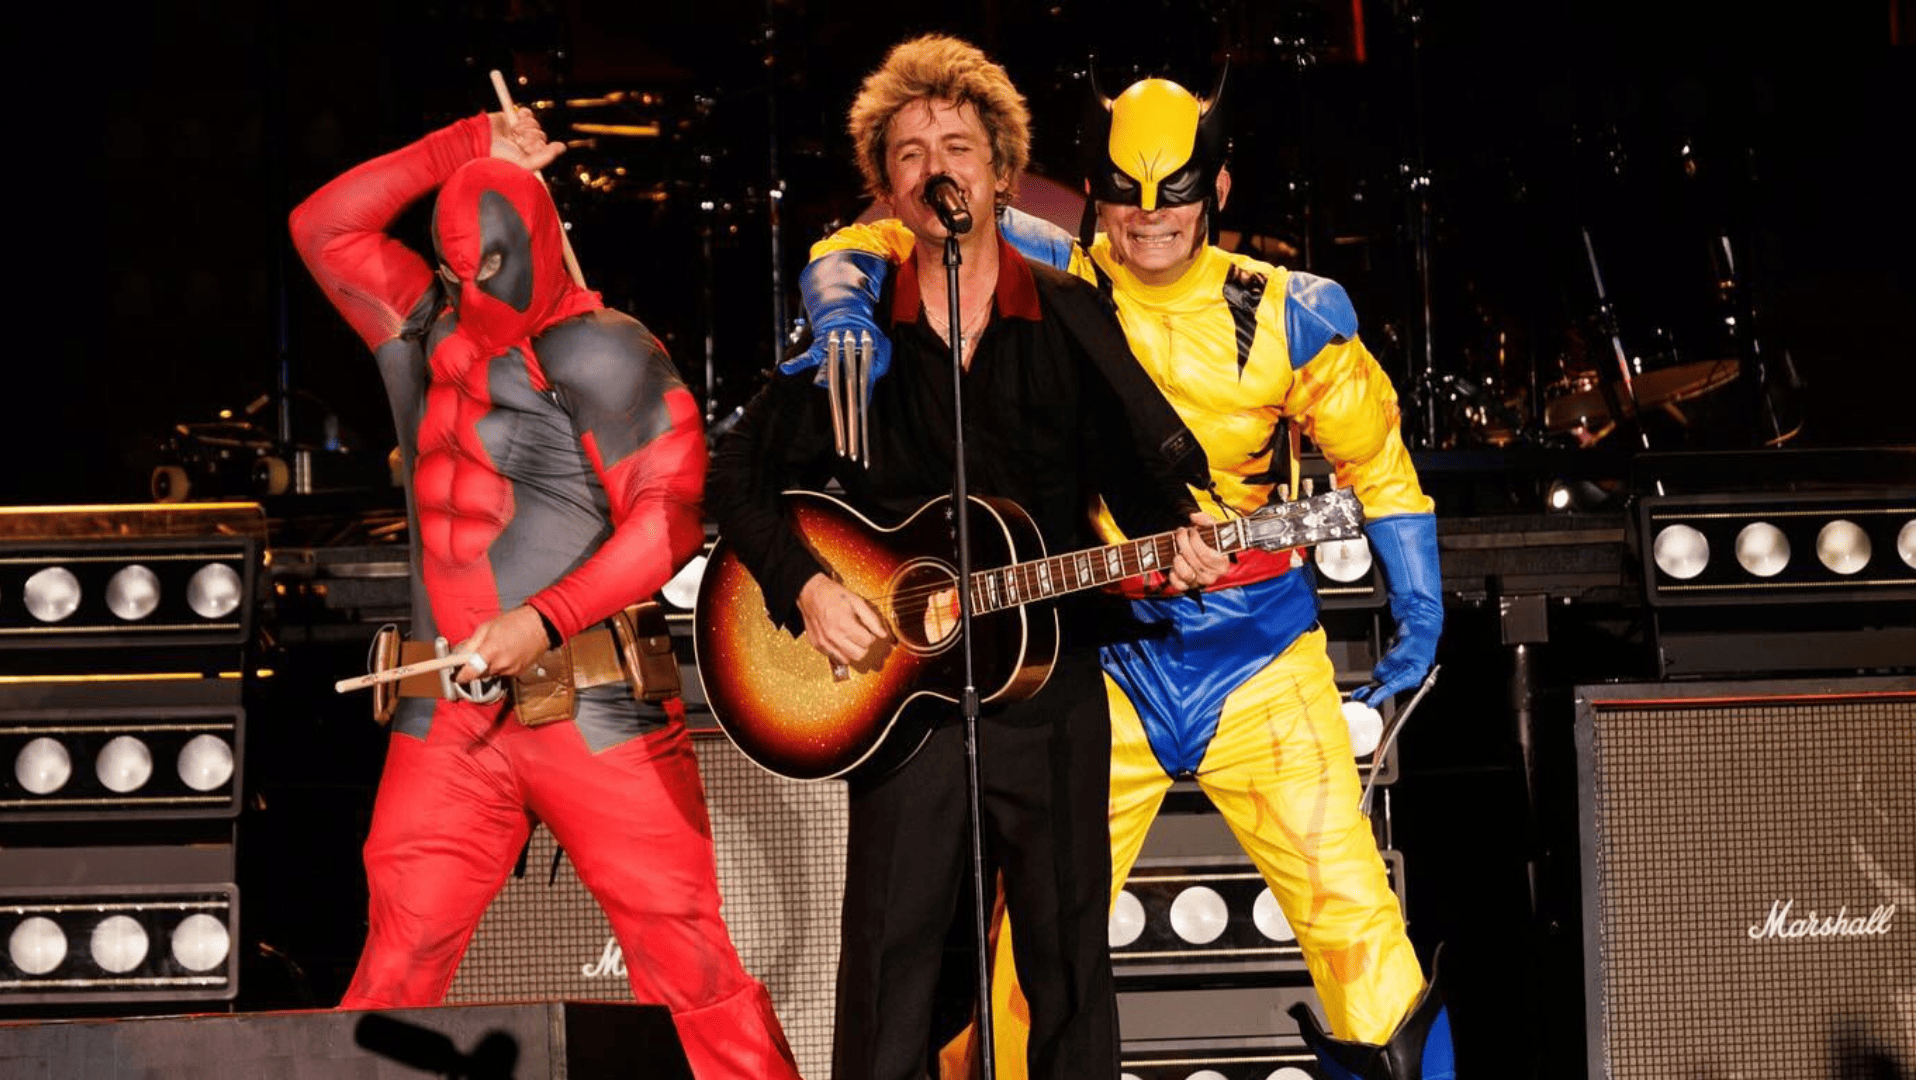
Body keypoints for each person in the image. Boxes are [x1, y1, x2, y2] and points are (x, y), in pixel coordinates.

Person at [800, 72, 1455, 1080]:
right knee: (1032, 961)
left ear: (1219, 186)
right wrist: (839, 297)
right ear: (1097, 191)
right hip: (1101, 655)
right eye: (1126, 193)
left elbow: (1382, 467)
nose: (1149, 220)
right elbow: (885, 234)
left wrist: (1420, 611)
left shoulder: (1293, 311)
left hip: (1259, 660)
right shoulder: (1048, 272)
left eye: (1174, 193)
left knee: (1358, 932)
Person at [705, 34, 1225, 1080]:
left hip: (1049, 684)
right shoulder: (856, 337)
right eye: (909, 153)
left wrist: (1180, 540)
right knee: (893, 959)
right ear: (887, 188)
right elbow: (735, 480)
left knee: (1069, 958)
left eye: (956, 144)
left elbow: (1137, 472)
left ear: (998, 170)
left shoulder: (1072, 312)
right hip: (905, 700)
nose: (935, 165)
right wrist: (806, 586)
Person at [288, 107, 800, 1079]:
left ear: (539, 246)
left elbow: (670, 521)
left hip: (592, 705)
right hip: (449, 716)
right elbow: (322, 226)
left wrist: (544, 616)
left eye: (488, 265)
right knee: (393, 968)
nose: (471, 285)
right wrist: (467, 143)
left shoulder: (604, 349)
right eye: (456, 267)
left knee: (687, 961)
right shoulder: (418, 328)